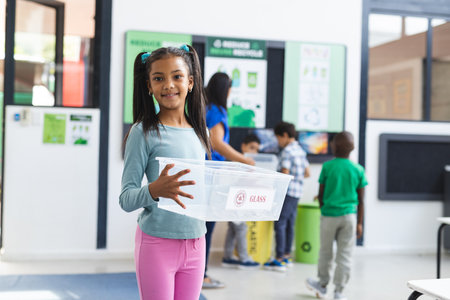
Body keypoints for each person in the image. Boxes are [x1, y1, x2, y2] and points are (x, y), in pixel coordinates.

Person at [119, 45, 211, 300]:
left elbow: (201, 190)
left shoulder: (200, 132)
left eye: (177, 76)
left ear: (190, 82)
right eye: (158, 78)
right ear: (149, 86)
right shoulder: (142, 132)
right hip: (156, 244)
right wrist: (155, 190)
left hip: (196, 242)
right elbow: (126, 198)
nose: (168, 84)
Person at [202, 72, 254, 289]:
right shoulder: (215, 111)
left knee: (203, 226)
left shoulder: (206, 108)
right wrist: (245, 161)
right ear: (225, 90)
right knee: (206, 226)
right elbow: (217, 143)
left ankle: (198, 273)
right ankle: (201, 275)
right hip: (210, 175)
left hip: (208, 174)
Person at [305, 131, 367, 300]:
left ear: (334, 146)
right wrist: (360, 223)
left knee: (325, 252)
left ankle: (322, 285)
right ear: (352, 148)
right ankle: (339, 292)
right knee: (345, 255)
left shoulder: (327, 167)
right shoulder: (358, 169)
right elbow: (361, 200)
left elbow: (321, 194)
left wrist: (323, 210)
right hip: (349, 217)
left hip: (329, 216)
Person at [264, 121, 310, 272]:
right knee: (290, 224)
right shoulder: (300, 150)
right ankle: (287, 256)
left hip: (286, 192)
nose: (278, 142)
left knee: (280, 224)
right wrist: (297, 177)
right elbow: (307, 173)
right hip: (297, 192)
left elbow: (284, 173)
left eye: (278, 138)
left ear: (284, 136)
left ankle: (279, 258)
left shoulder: (287, 152)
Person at [222, 134, 261, 269]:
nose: (254, 152)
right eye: (251, 147)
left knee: (233, 229)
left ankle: (227, 256)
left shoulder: (244, 164)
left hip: (236, 201)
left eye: (256, 149)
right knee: (241, 228)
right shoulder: (238, 163)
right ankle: (244, 258)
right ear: (243, 146)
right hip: (236, 201)